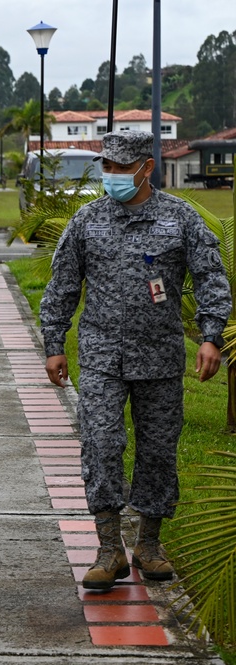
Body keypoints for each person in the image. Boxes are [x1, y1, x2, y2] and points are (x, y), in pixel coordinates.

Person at [40, 129, 230, 590]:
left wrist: (210, 337)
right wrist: (53, 343)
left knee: (158, 451)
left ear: (147, 168)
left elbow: (210, 277)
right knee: (101, 445)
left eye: (122, 169)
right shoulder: (87, 220)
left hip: (161, 358)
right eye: (107, 167)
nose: (112, 176)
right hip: (102, 356)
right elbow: (62, 284)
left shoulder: (179, 219)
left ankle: (148, 544)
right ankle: (108, 550)